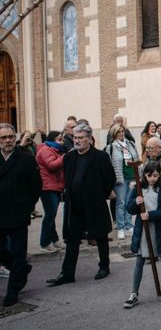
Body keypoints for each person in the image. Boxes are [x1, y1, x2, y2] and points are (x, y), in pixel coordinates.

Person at [47, 123, 116, 287]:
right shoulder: (70, 157)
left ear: (89, 139)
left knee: (100, 236)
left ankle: (104, 266)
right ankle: (67, 273)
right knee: (72, 240)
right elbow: (68, 177)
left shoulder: (100, 156)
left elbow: (110, 179)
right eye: (75, 137)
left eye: (80, 138)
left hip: (94, 204)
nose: (77, 141)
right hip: (75, 206)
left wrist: (100, 194)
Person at [123, 161, 161, 309]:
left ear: (159, 175)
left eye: (155, 175)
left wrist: (151, 215)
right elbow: (129, 209)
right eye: (149, 175)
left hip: (159, 228)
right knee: (140, 259)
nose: (152, 178)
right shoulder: (138, 189)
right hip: (143, 229)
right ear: (144, 175)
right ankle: (134, 293)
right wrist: (136, 202)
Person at [0, 123, 42, 306]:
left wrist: (28, 205)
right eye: (3, 138)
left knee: (18, 253)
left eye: (10, 137)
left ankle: (13, 290)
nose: (8, 141)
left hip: (18, 214)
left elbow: (36, 186)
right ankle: (22, 269)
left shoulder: (25, 159)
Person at [106, 123, 139, 239]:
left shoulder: (130, 144)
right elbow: (108, 165)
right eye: (119, 132)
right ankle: (120, 227)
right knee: (121, 203)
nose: (121, 133)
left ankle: (129, 225)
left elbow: (137, 158)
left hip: (132, 177)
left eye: (122, 131)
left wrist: (138, 175)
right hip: (120, 178)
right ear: (114, 134)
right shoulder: (111, 147)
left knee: (129, 202)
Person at [35, 131, 66, 253]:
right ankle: (44, 243)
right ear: (52, 140)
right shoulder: (46, 150)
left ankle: (54, 239)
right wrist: (64, 157)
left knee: (51, 215)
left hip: (54, 186)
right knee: (49, 215)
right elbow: (51, 165)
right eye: (59, 140)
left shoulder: (54, 150)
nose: (62, 142)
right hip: (47, 187)